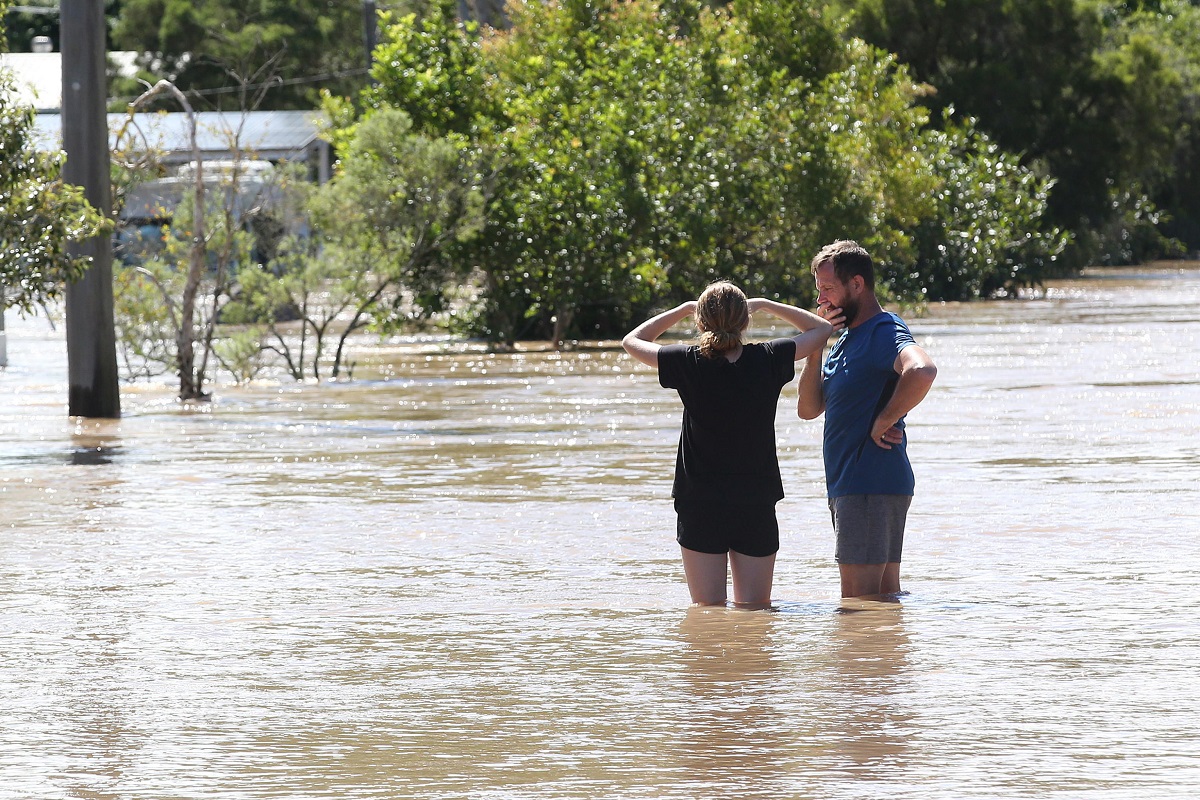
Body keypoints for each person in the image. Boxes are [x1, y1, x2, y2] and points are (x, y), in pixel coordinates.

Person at [623, 281, 833, 608]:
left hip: (699, 501)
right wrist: (764, 302)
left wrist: (681, 309)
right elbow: (821, 328)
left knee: (708, 613)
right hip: (755, 499)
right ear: (746, 320)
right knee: (756, 612)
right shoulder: (769, 357)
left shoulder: (686, 361)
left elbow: (632, 340)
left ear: (700, 320)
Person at [796, 240, 938, 600]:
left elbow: (922, 370)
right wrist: (817, 349)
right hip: (858, 485)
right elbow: (809, 409)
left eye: (828, 289)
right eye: (818, 290)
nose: (820, 300)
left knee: (857, 609)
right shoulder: (845, 339)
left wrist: (884, 419)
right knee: (883, 604)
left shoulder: (882, 330)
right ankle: (888, 660)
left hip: (869, 484)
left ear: (857, 284)